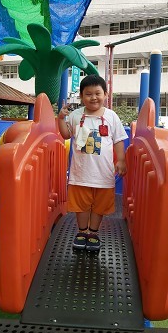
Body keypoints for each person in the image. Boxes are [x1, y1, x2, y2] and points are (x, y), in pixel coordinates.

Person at [58, 74, 128, 251]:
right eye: (88, 94)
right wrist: (60, 119)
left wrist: (121, 160)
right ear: (81, 96)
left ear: (105, 94)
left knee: (99, 207)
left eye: (98, 93)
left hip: (103, 174)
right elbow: (66, 135)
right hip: (80, 173)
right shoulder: (76, 115)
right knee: (81, 206)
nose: (93, 97)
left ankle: (93, 233)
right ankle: (82, 232)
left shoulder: (111, 116)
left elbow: (119, 140)